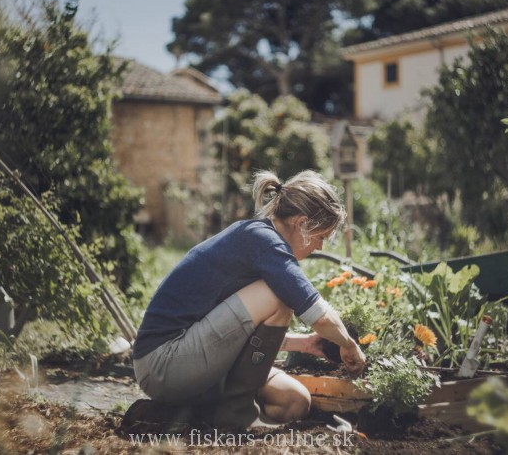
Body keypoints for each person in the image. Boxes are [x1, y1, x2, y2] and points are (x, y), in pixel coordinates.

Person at [130, 169, 366, 428]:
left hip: (189, 360)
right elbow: (317, 314)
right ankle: (236, 414)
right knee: (277, 294)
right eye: (321, 236)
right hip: (164, 364)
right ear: (301, 223)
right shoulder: (264, 242)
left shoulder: (259, 239)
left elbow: (230, 333)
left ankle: (182, 413)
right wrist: (349, 344)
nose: (320, 246)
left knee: (294, 401)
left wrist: (305, 344)